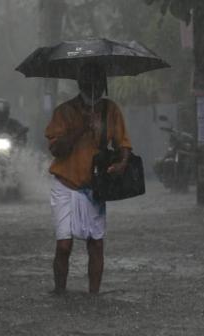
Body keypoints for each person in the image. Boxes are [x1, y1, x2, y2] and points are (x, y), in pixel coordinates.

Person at [44, 63, 132, 294]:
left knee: (96, 244)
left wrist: (122, 163)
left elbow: (123, 143)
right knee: (64, 245)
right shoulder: (64, 112)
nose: (95, 87)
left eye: (99, 81)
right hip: (65, 184)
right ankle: (60, 292)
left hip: (95, 187)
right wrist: (82, 127)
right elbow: (56, 149)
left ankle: (94, 296)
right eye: (89, 81)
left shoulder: (110, 110)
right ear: (80, 83)